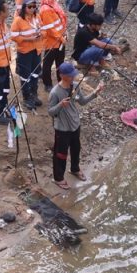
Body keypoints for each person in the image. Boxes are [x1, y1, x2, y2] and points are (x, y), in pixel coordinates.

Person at [48, 62, 102, 190]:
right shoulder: (55, 92)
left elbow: (82, 102)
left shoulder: (75, 86)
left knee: (76, 149)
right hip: (62, 129)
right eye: (70, 75)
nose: (73, 77)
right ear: (62, 75)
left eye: (73, 75)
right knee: (60, 154)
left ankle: (75, 169)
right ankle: (58, 178)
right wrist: (61, 104)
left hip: (75, 125)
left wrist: (95, 93)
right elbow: (50, 112)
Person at [11, 0, 44, 108]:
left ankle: (34, 94)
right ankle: (27, 98)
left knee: (35, 73)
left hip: (37, 49)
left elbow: (43, 28)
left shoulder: (37, 17)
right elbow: (14, 36)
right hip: (25, 51)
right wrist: (28, 39)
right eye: (29, 7)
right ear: (24, 8)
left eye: (34, 6)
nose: (32, 9)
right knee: (25, 75)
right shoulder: (18, 20)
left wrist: (42, 34)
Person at [39, 0, 67, 90]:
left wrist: (64, 33)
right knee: (48, 64)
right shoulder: (46, 9)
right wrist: (61, 38)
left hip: (60, 39)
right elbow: (50, 29)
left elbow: (60, 22)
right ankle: (48, 84)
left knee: (60, 62)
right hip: (52, 42)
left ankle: (61, 81)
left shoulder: (53, 5)